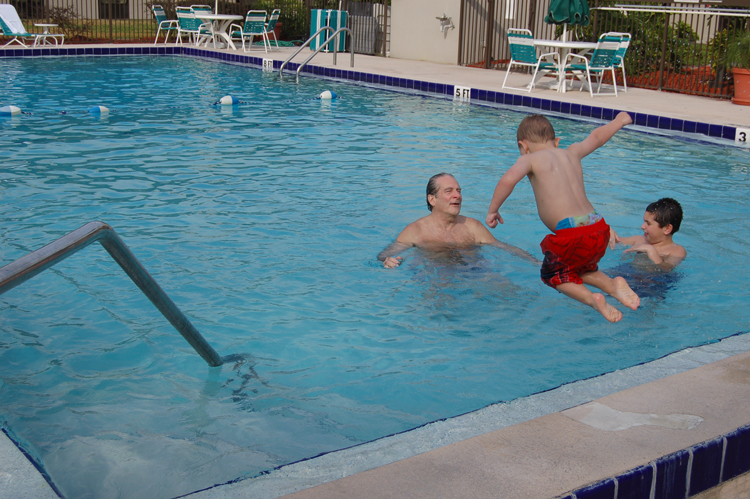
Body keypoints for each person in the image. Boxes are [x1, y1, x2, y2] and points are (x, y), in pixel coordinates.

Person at [485, 113, 640, 323]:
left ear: (524, 146)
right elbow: (597, 138)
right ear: (556, 142)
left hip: (572, 232)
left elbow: (508, 180)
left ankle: (593, 300)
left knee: (552, 274)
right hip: (598, 226)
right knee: (577, 269)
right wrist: (619, 121)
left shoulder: (528, 159)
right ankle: (612, 286)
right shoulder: (572, 152)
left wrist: (493, 209)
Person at [378, 173, 539, 268]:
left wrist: (536, 262)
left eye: (459, 191)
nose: (457, 195)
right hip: (436, 275)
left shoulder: (473, 227)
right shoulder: (416, 231)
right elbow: (385, 255)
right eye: (449, 191)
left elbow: (505, 248)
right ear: (432, 199)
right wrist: (387, 261)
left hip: (474, 272)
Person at [615, 197, 686, 270]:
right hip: (628, 270)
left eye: (648, 223)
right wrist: (609, 231)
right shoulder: (639, 239)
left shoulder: (676, 250)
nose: (642, 226)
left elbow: (666, 269)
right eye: (644, 222)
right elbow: (612, 241)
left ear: (667, 229)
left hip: (652, 279)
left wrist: (650, 250)